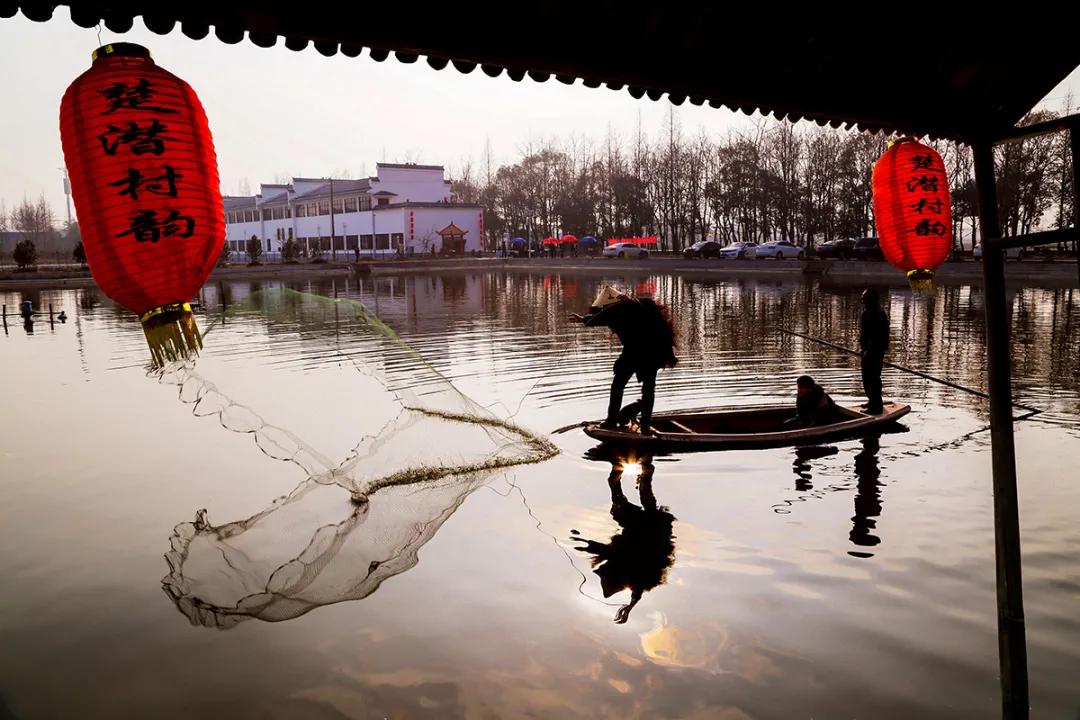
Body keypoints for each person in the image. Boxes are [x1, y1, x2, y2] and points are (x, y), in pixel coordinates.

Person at [571, 456, 675, 624]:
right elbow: (604, 551)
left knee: (644, 500)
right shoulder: (624, 563)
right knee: (622, 502)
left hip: (652, 527)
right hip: (648, 528)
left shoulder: (637, 576)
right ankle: (619, 472)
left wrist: (630, 606)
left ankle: (641, 473)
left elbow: (637, 591)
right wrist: (582, 544)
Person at [569, 286, 677, 434]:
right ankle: (643, 425)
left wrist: (585, 321)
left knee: (618, 385)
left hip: (641, 353)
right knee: (647, 389)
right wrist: (584, 320)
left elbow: (599, 318)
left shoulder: (616, 309)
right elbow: (601, 318)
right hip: (654, 352)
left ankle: (613, 420)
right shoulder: (637, 305)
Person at [860, 288, 889, 414]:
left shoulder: (878, 314)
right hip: (867, 351)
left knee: (873, 378)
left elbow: (877, 336)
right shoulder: (867, 312)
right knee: (867, 378)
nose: (863, 301)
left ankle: (876, 406)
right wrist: (863, 349)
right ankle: (872, 400)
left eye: (865, 299)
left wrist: (870, 351)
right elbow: (865, 334)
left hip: (875, 352)